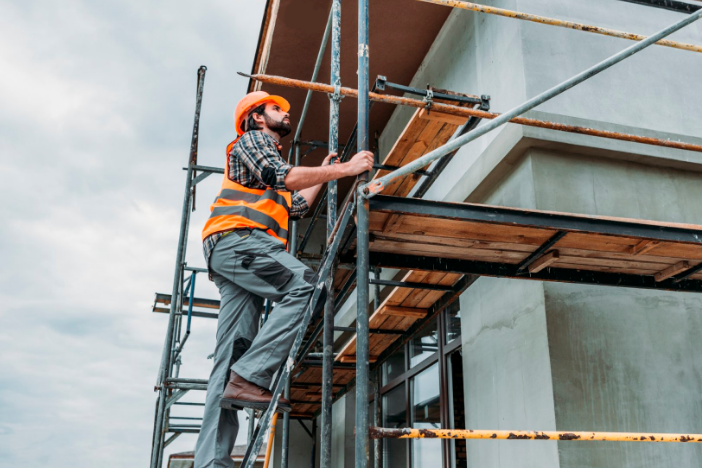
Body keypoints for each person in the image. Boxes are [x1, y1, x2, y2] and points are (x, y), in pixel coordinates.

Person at [194, 91, 373, 467]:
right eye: (277, 109)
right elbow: (285, 176)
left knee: (229, 359)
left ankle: (213, 460)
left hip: (235, 251)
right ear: (257, 117)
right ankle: (251, 375)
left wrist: (323, 172)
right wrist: (346, 169)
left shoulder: (263, 170)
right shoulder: (255, 141)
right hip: (240, 241)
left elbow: (297, 205)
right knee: (307, 287)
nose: (285, 113)